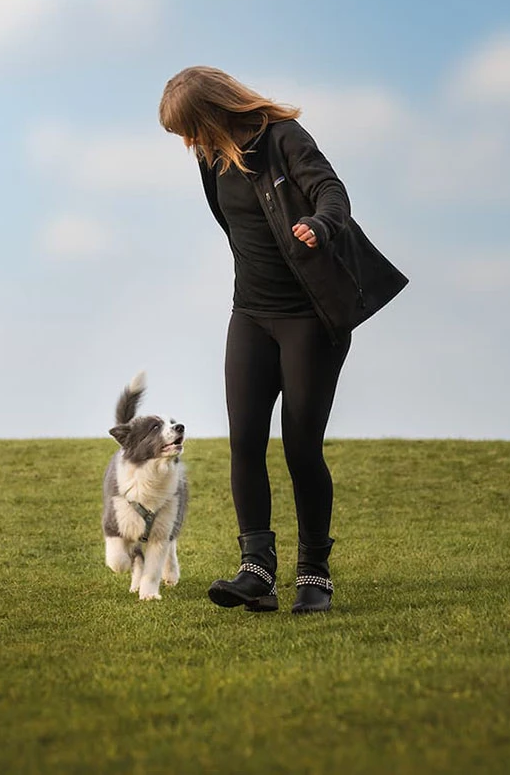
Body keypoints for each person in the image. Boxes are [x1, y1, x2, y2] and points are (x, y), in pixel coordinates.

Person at [158, 66, 407, 614]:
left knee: (300, 446)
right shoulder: (211, 159)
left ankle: (314, 574)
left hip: (309, 319)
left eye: (189, 128)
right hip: (250, 315)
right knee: (244, 440)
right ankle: (257, 571)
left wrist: (320, 225)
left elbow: (331, 191)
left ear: (213, 112)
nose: (188, 142)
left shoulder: (284, 138)